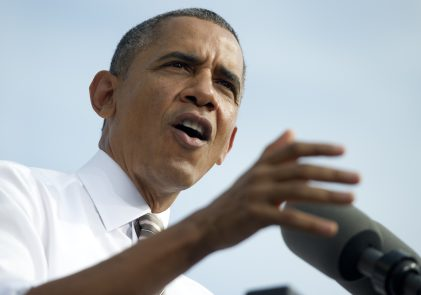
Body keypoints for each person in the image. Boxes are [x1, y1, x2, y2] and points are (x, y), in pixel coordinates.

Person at [0, 8, 360, 295]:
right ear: (106, 95)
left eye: (224, 85)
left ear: (226, 146)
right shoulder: (18, 196)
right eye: (179, 65)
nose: (203, 93)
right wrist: (204, 230)